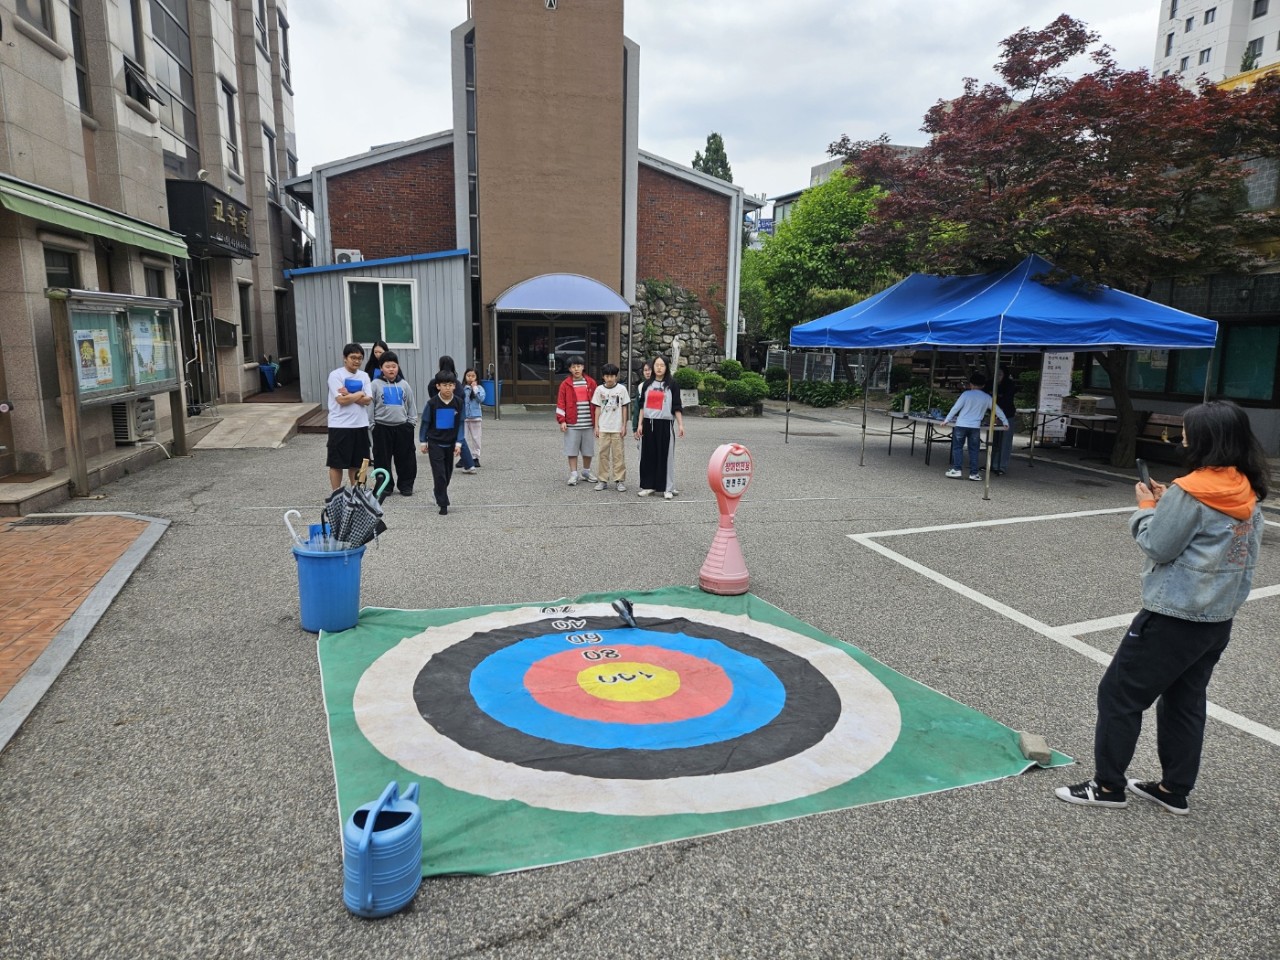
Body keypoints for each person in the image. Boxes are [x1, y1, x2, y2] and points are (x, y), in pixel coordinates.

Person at [1055, 400, 1268, 815]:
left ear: (1205, 439)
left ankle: (1107, 785)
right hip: (1216, 617)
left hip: (1173, 615)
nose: (1181, 437)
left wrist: (1148, 508)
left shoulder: (1192, 490)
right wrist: (1170, 504)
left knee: (1119, 694)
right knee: (1185, 700)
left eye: (1187, 431)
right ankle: (1174, 789)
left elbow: (1157, 544)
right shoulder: (1246, 486)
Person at [634, 355, 684, 499]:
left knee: (665, 457)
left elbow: (676, 406)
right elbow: (642, 406)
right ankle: (648, 486)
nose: (659, 368)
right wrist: (639, 424)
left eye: (662, 365)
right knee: (647, 455)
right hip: (648, 424)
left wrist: (680, 424)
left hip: (665, 424)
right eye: (657, 365)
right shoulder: (647, 385)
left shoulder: (672, 384)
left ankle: (668, 487)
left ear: (666, 367)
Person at [369, 351, 418, 498]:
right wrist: (372, 426)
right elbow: (370, 407)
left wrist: (411, 423)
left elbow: (411, 405)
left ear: (398, 367)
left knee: (406, 458)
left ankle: (406, 485)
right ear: (381, 368)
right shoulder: (375, 385)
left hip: (402, 427)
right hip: (381, 427)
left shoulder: (404, 385)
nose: (391, 369)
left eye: (394, 366)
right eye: (387, 366)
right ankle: (385, 486)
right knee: (382, 459)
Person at [942, 371, 1007, 481]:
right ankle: (974, 473)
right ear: (983, 385)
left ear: (970, 384)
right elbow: (997, 409)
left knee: (957, 448)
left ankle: (957, 470)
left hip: (961, 424)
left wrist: (946, 420)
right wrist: (1005, 421)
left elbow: (955, 408)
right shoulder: (987, 397)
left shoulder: (966, 394)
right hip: (975, 427)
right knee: (974, 450)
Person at [326, 342, 372, 491]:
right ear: (345, 358)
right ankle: (336, 494)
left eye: (360, 358)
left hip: (360, 424)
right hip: (339, 425)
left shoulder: (364, 376)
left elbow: (368, 400)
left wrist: (350, 394)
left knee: (360, 463)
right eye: (353, 357)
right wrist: (360, 393)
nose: (356, 361)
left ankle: (359, 493)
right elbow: (341, 400)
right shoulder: (336, 375)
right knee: (336, 463)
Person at [418, 370, 465, 516]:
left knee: (447, 474)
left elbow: (461, 423)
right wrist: (423, 441)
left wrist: (459, 443)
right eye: (444, 385)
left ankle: (437, 492)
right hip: (435, 443)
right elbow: (425, 423)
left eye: (451, 385)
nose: (448, 388)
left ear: (454, 386)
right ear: (438, 386)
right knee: (439, 474)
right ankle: (443, 503)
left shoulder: (458, 402)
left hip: (450, 443)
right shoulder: (432, 403)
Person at [430, 356, 476, 474]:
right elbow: (461, 396)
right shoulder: (455, 381)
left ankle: (467, 464)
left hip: (441, 412)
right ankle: (469, 464)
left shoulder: (436, 381)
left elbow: (432, 396)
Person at [556, 355, 597, 486]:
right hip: (572, 424)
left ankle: (586, 472)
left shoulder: (591, 383)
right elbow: (561, 403)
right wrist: (562, 420)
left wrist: (598, 422)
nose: (576, 369)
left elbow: (597, 403)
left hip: (588, 423)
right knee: (572, 450)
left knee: (588, 450)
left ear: (583, 367)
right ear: (569, 369)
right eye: (573, 367)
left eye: (578, 366)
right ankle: (574, 474)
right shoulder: (565, 384)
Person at [591, 362, 630, 491]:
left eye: (612, 376)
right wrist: (596, 426)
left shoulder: (622, 389)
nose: (610, 379)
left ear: (616, 376)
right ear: (603, 377)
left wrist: (624, 425)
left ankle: (619, 480)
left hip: (617, 428)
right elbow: (597, 408)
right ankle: (602, 480)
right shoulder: (599, 390)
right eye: (607, 376)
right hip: (603, 427)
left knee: (618, 455)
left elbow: (624, 408)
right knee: (603, 455)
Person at [992, 365, 1018, 475]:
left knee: (1005, 442)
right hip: (994, 416)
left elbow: (1007, 400)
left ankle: (1001, 466)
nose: (998, 376)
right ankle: (992, 463)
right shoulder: (992, 384)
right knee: (995, 442)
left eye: (1000, 374)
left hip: (1007, 415)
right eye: (996, 374)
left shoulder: (1009, 385)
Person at [462, 368, 485, 468]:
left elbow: (481, 399)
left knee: (476, 438)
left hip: (475, 417)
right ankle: (464, 457)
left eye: (473, 376)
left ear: (476, 377)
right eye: (468, 375)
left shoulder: (479, 388)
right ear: (465, 377)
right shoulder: (462, 388)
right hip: (464, 418)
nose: (470, 378)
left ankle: (475, 458)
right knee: (463, 438)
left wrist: (475, 388)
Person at [630, 361, 652, 434]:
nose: (647, 372)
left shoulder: (661, 386)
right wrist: (635, 427)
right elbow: (637, 407)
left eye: (650, 370)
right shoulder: (641, 386)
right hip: (644, 422)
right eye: (645, 370)